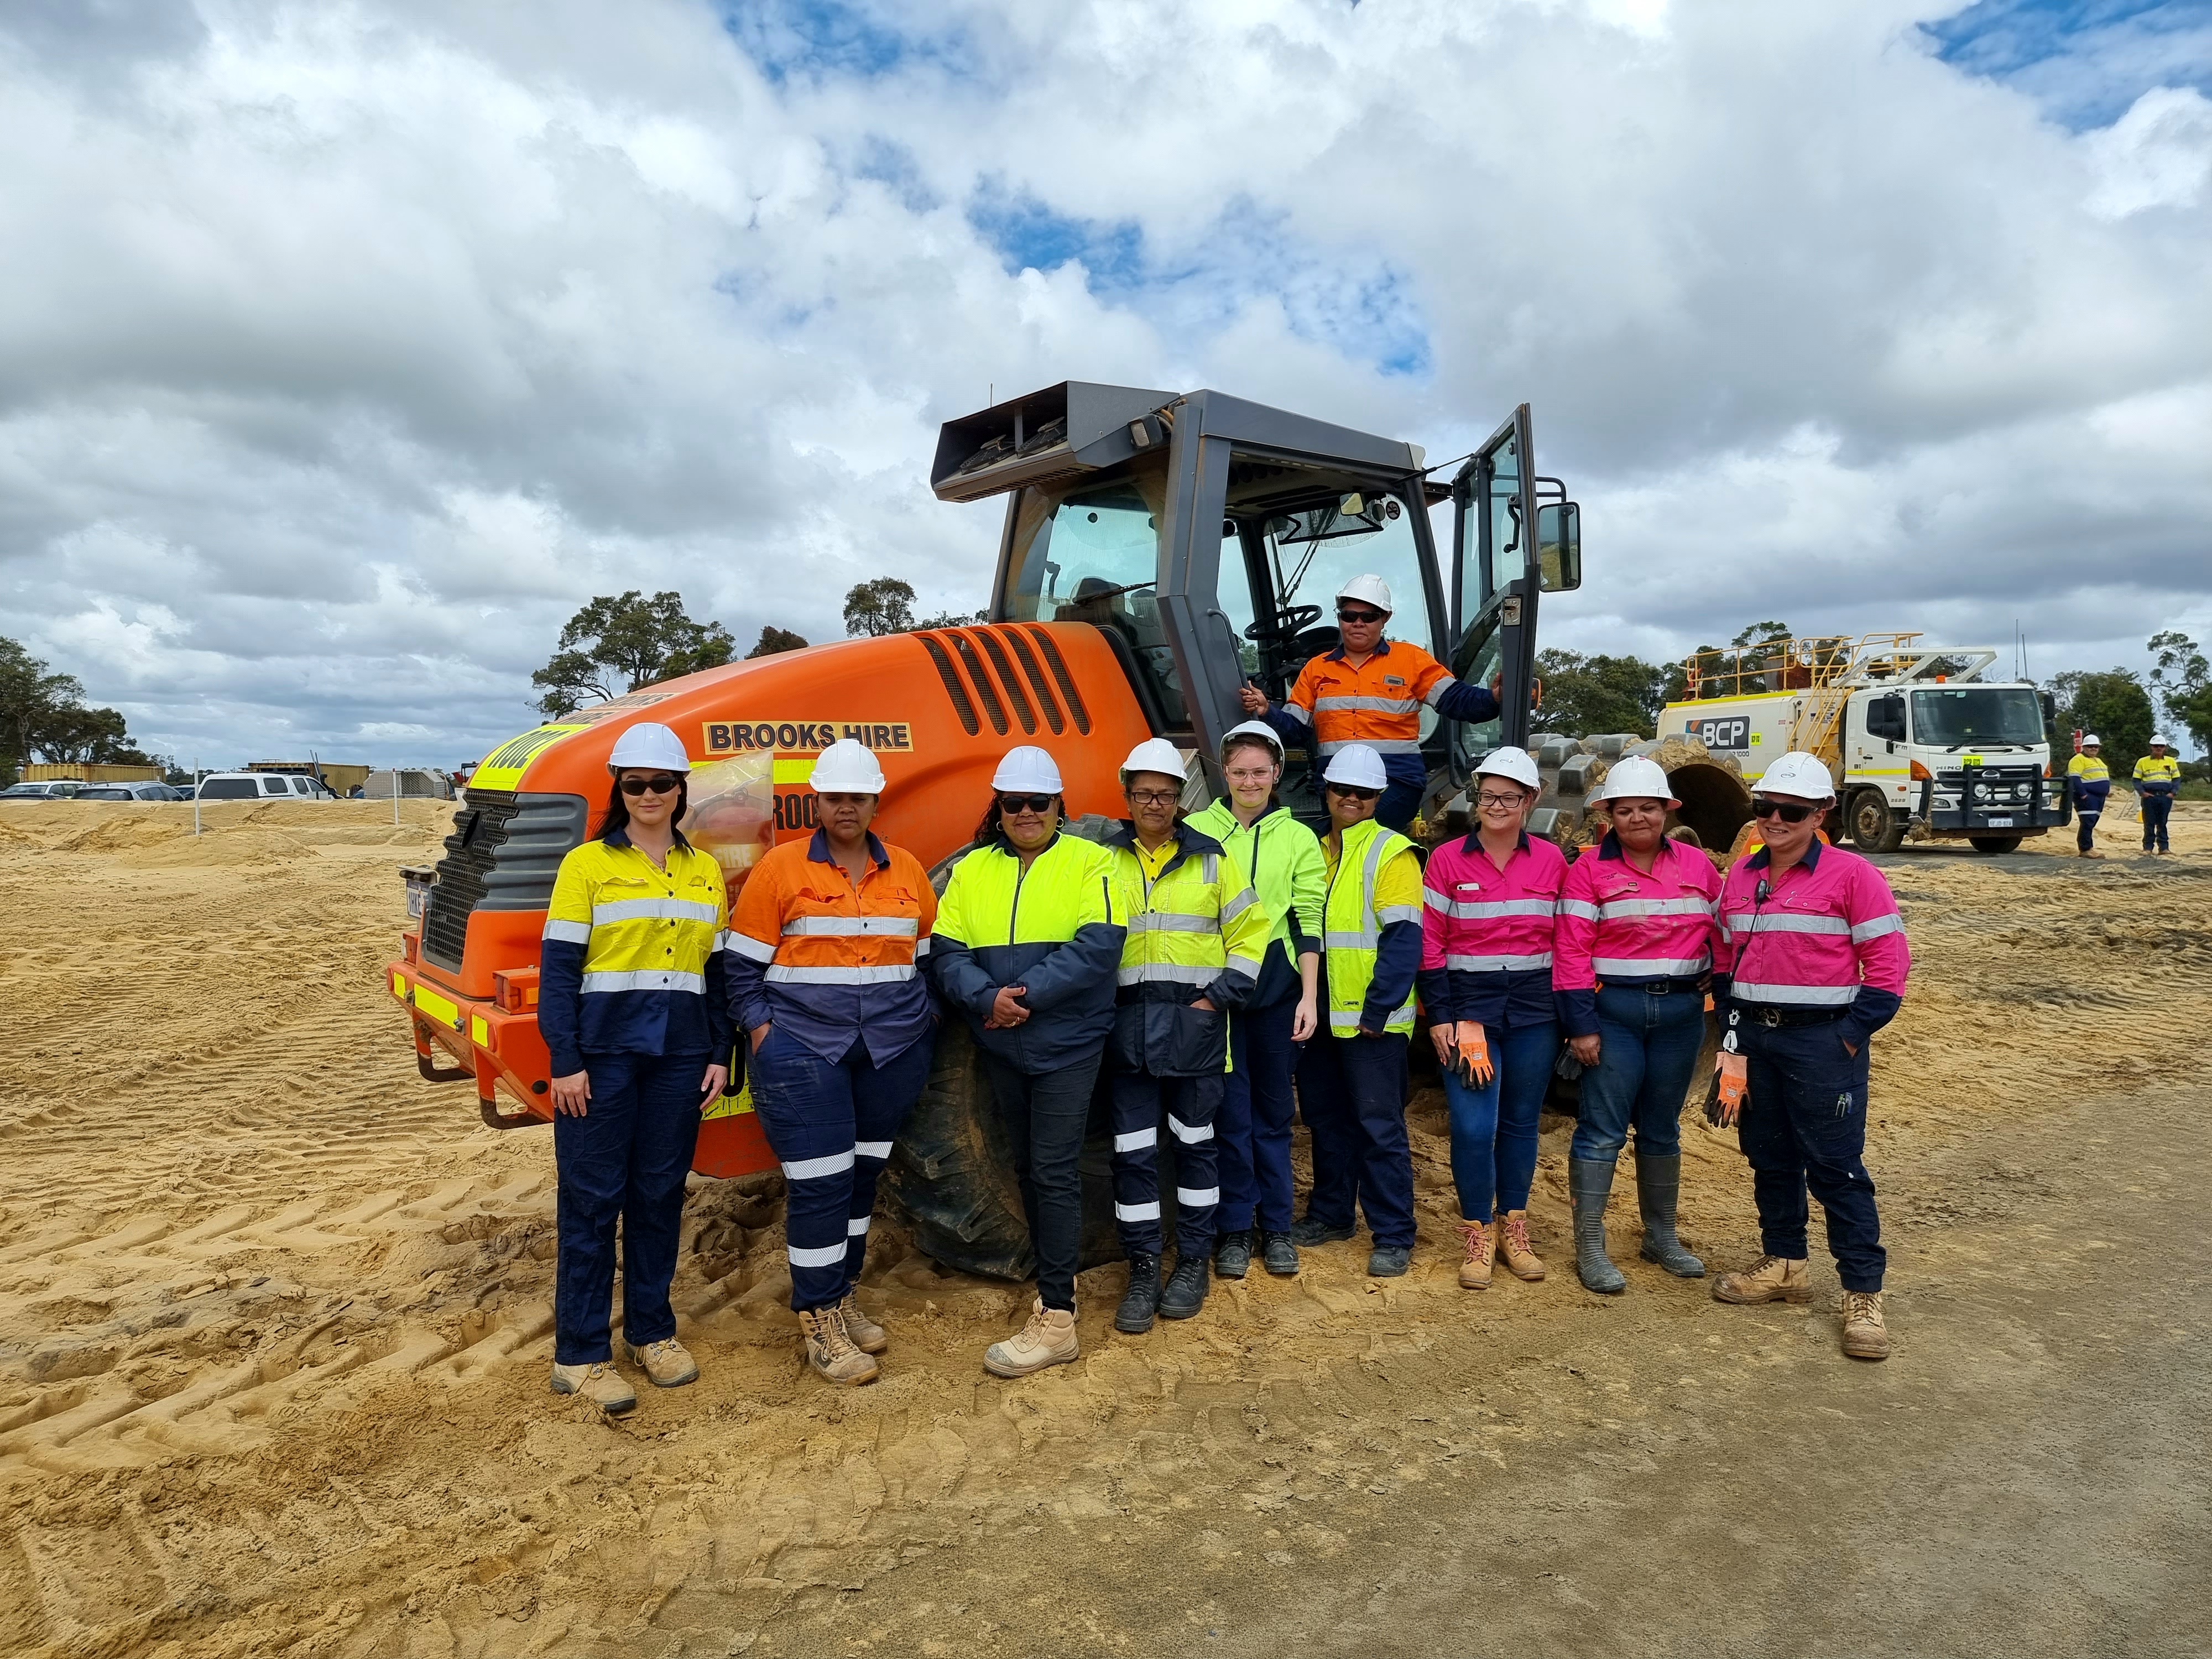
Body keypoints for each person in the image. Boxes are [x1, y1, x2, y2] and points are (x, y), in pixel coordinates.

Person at [722, 739, 937, 1387]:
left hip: (890, 1052)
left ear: (875, 802)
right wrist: (762, 1031)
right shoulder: (782, 871)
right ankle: (818, 1318)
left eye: (858, 797)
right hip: (803, 1051)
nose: (847, 807)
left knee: (861, 1181)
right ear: (818, 802)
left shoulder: (906, 870)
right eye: (836, 796)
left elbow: (925, 958)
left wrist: (923, 1023)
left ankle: (841, 1295)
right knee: (819, 1184)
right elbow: (739, 965)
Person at [539, 722, 732, 1414]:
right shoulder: (586, 866)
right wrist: (565, 1061)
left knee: (657, 1198)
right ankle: (581, 1354)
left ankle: (651, 1334)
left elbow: (713, 970)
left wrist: (718, 1051)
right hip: (603, 1058)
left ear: (682, 791)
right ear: (620, 791)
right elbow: (558, 973)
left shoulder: (704, 870)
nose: (649, 794)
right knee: (591, 1203)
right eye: (635, 784)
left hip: (679, 1058)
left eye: (662, 783)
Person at [1708, 752, 1911, 1361]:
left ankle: (1862, 1292)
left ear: (1821, 813)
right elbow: (1724, 952)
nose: (1774, 819)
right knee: (1768, 1156)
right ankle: (1786, 1264)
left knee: (1835, 1167)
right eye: (1764, 808)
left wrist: (1849, 1035)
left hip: (1822, 1041)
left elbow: (1888, 967)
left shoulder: (1854, 876)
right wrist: (1730, 1024)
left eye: (1790, 811)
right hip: (1753, 1041)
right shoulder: (1742, 876)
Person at [931, 746, 1126, 1378]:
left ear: (1056, 807)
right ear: (999, 808)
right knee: (1023, 1166)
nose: (1024, 814)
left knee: (1053, 1170)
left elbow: (1098, 946)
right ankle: (1051, 1285)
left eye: (1036, 803)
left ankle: (1059, 1318)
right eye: (1012, 803)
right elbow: (946, 948)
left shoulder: (1092, 860)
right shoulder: (972, 871)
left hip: (1065, 1045)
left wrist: (1024, 997)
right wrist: (987, 998)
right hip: (1001, 1042)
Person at [1103, 737, 1273, 1331]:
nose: (1155, 803)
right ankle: (1145, 1266)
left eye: (1166, 794)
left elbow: (1252, 936)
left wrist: (1217, 998)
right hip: (1127, 1035)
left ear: (1180, 800)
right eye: (1145, 793)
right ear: (1127, 797)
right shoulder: (1103, 860)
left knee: (1197, 1149)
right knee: (1134, 1158)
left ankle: (1193, 1261)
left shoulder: (1211, 859)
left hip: (1195, 1034)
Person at [1552, 755, 1722, 1293]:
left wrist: (1718, 972)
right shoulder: (1588, 872)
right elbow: (1571, 952)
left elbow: (1726, 928)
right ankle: (1589, 1247)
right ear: (1609, 817)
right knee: (1601, 1133)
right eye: (1625, 810)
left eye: (1648, 808)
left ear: (1667, 811)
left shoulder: (1698, 866)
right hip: (1615, 1017)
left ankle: (1660, 1236)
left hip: (1680, 1017)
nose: (1638, 818)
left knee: (1662, 1129)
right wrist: (1580, 1025)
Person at [1417, 747, 1567, 1291]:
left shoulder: (1552, 862)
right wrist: (1440, 1016)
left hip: (1533, 1014)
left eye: (1509, 797)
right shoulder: (1447, 860)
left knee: (1521, 1124)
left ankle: (1514, 1227)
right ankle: (1477, 1231)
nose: (1496, 806)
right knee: (1474, 1126)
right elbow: (1430, 944)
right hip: (1469, 1017)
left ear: (1531, 800)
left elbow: (1565, 941)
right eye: (1487, 796)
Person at [1185, 721, 1324, 1280]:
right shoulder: (1195, 829)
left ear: (1276, 774)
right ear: (1225, 773)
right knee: (1227, 1114)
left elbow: (1307, 921)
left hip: (1274, 990)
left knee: (1272, 1115)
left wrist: (1309, 996)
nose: (1249, 781)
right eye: (1239, 771)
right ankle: (1235, 1230)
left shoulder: (1297, 840)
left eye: (1259, 772)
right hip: (1216, 993)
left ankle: (1279, 1228)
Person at [1293, 743, 1425, 1276]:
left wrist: (1376, 1012)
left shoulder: (1391, 853)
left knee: (1378, 1126)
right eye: (1342, 790)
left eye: (1363, 793)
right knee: (1326, 1121)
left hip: (1371, 1021)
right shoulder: (1315, 850)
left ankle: (1394, 1233)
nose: (1351, 799)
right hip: (1320, 1014)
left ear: (1378, 797)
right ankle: (1332, 1214)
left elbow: (1403, 941)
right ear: (1326, 792)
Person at [1238, 574, 1499, 834]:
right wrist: (1266, 711)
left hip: (1394, 780)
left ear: (1385, 618)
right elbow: (1295, 728)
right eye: (1349, 616)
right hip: (1335, 781)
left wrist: (1494, 698)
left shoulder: (1411, 660)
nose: (1358, 623)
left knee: (1360, 838)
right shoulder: (1316, 669)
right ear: (1340, 618)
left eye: (1369, 617)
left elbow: (1457, 700)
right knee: (1334, 846)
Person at [2135, 733, 2180, 854]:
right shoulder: (2142, 762)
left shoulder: (2171, 762)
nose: (2158, 748)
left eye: (2161, 746)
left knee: (2163, 823)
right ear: (2151, 747)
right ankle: (2148, 848)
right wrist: (2142, 793)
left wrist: (2173, 793)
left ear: (2165, 748)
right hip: (2149, 797)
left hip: (2165, 797)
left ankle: (2164, 848)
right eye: (2156, 746)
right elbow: (2136, 780)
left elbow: (2176, 779)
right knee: (2149, 823)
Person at [2068, 734, 2110, 859]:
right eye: (2090, 747)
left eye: (2096, 747)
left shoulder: (2098, 760)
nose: (2093, 749)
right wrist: (2083, 794)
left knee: (2092, 822)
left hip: (2099, 797)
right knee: (2087, 822)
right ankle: (2085, 849)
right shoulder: (2078, 759)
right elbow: (2074, 778)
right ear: (2084, 747)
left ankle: (2088, 848)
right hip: (2088, 797)